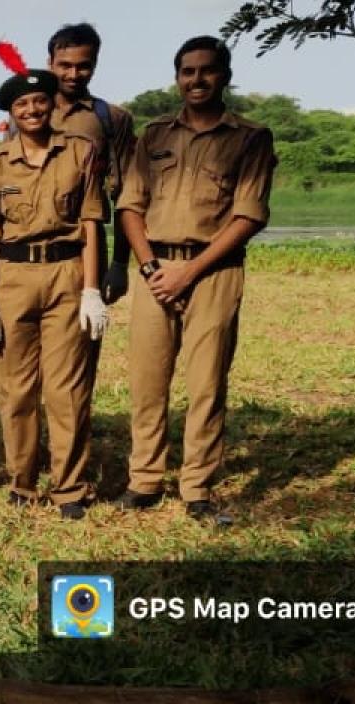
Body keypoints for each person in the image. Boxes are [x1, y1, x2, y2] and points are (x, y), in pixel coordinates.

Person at [116, 36, 276, 522]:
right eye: (188, 71)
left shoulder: (250, 137)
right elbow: (130, 206)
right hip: (154, 270)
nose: (197, 80)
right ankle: (144, 479)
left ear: (225, 75)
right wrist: (150, 268)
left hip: (213, 271)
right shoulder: (154, 136)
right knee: (147, 381)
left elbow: (249, 215)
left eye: (207, 70)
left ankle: (197, 488)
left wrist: (189, 271)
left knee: (206, 383)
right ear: (177, 77)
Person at [0, 69, 110, 520]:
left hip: (66, 272)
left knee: (67, 389)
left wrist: (92, 289)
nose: (31, 111)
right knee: (16, 390)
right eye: (21, 105)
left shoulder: (80, 153)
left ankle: (69, 486)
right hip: (13, 277)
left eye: (38, 102)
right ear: (11, 113)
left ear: (51, 104)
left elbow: (90, 222)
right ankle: (22, 481)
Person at [47, 22, 138, 303]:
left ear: (95, 64)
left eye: (83, 66)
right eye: (64, 65)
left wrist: (120, 264)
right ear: (49, 63)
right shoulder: (26, 113)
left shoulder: (112, 119)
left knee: (83, 341)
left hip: (86, 246)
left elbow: (126, 195)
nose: (73, 74)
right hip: (27, 249)